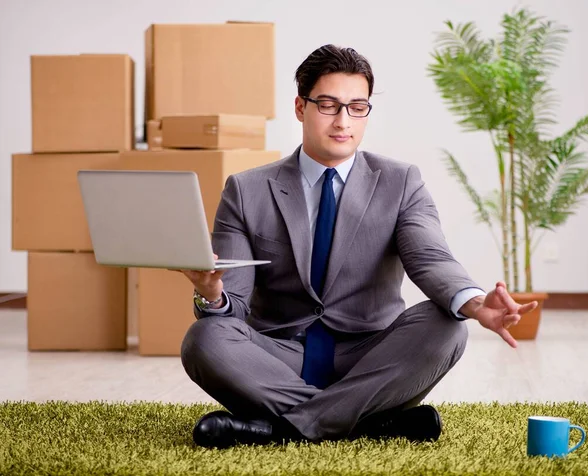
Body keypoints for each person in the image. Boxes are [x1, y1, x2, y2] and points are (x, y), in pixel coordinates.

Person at [176, 44, 538, 449]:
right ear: (301, 107)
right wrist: (211, 295)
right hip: (279, 357)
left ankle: (282, 430)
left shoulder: (401, 182)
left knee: (446, 327)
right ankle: (368, 423)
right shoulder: (247, 190)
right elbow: (234, 306)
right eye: (328, 105)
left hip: (368, 358)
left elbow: (429, 256)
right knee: (205, 339)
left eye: (357, 107)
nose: (343, 120)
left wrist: (473, 303)